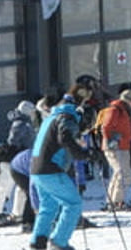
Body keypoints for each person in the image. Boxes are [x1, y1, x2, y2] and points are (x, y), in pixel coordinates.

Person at [28, 91, 94, 250]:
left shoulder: (51, 117)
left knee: (48, 206)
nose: (84, 131)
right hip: (50, 170)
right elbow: (65, 138)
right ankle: (59, 242)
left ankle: (38, 242)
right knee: (73, 203)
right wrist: (84, 154)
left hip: (37, 170)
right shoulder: (68, 118)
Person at [94, 90, 131, 212]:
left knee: (125, 175)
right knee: (121, 172)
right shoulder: (115, 110)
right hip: (115, 147)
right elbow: (106, 127)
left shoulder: (124, 111)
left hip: (124, 146)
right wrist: (111, 139)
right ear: (126, 100)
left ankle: (113, 200)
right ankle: (116, 202)